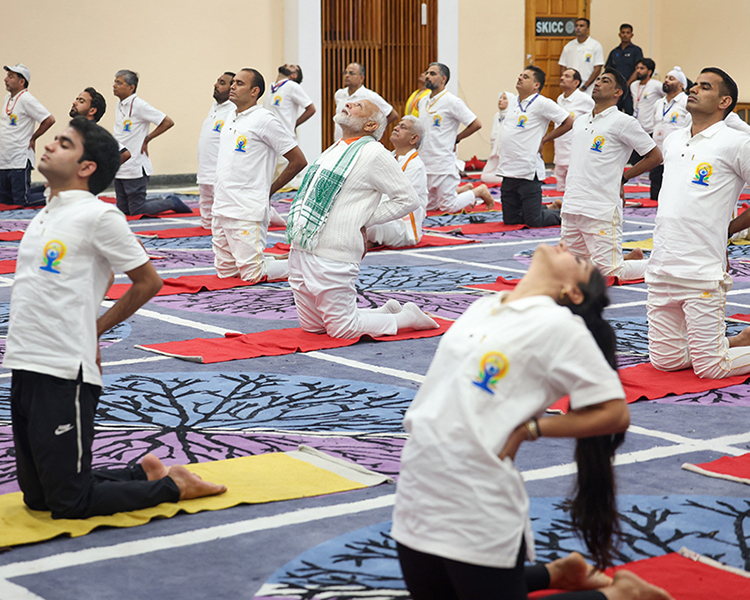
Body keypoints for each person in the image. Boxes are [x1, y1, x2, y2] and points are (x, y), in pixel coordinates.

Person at [392, 240, 674, 600]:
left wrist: (531, 429)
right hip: (417, 484)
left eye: (578, 260)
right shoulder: (485, 306)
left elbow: (615, 413)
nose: (565, 247)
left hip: (473, 496)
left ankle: (623, 595)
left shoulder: (559, 327)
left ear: (572, 291)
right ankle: (556, 572)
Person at [3, 117, 227, 519]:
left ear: (86, 167)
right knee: (37, 498)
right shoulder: (47, 213)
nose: (50, 145)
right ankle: (140, 473)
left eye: (64, 143)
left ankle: (174, 485)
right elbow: (97, 274)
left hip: (63, 368)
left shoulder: (98, 216)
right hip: (24, 360)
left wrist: (93, 331)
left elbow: (147, 280)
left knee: (70, 505)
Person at [286, 99, 439, 339]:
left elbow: (408, 199)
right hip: (302, 250)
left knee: (343, 329)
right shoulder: (335, 148)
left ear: (369, 125)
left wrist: (363, 219)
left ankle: (407, 317)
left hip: (333, 253)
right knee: (313, 327)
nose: (349, 104)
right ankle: (384, 312)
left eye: (358, 106)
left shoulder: (374, 152)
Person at [647, 67, 750, 379]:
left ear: (724, 101)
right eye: (695, 84)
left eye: (705, 87)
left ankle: (719, 349)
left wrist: (730, 229)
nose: (693, 89)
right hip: (662, 265)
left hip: (701, 269)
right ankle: (734, 341)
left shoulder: (736, 142)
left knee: (711, 368)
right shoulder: (675, 139)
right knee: (666, 362)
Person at [561, 68, 662, 282]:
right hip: (572, 205)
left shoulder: (623, 122)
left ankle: (661, 265)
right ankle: (628, 257)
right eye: (597, 79)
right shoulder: (580, 121)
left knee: (611, 273)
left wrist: (624, 178)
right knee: (570, 272)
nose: (597, 83)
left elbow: (655, 156)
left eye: (604, 80)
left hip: (601, 208)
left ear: (618, 92)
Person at [212, 68, 306, 282]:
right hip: (222, 205)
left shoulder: (264, 119)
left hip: (247, 208)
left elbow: (299, 160)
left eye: (240, 83)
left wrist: (270, 189)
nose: (233, 86)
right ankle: (278, 260)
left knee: (252, 274)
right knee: (226, 273)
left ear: (255, 91)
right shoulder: (230, 115)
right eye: (233, 82)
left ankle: (302, 266)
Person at [496, 66, 573, 227]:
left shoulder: (542, 103)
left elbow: (568, 122)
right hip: (508, 169)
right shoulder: (513, 103)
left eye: (525, 77)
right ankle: (545, 207)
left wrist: (545, 140)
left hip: (528, 171)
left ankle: (565, 214)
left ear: (536, 85)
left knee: (534, 221)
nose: (520, 78)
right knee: (511, 221)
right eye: (520, 75)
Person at [417, 62, 493, 213]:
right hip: (425, 160)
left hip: (443, 161)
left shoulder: (452, 101)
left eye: (432, 74)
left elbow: (476, 124)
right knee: (428, 207)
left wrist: (457, 139)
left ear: (443, 79)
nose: (427, 76)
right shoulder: (422, 101)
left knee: (448, 207)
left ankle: (479, 191)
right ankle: (464, 189)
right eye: (427, 73)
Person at [111, 69, 188, 216]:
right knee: (123, 211)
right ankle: (159, 200)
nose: (114, 85)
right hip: (120, 165)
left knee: (136, 212)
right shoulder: (119, 105)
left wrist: (148, 138)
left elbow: (167, 122)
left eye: (118, 83)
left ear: (131, 87)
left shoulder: (140, 105)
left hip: (135, 166)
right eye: (114, 82)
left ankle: (170, 202)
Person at [366, 115, 428, 248]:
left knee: (363, 220)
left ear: (414, 138)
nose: (396, 127)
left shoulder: (415, 166)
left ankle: (364, 241)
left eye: (403, 127)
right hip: (384, 217)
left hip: (403, 228)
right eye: (398, 125)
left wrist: (370, 211)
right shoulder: (388, 157)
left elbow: (404, 203)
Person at [0, 64, 55, 206]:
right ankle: (45, 187)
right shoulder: (8, 98)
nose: (5, 79)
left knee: (22, 201)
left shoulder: (26, 99)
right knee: (6, 201)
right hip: (4, 159)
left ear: (21, 81)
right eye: (7, 76)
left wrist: (34, 137)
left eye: (11, 77)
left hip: (19, 158)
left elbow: (49, 120)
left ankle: (56, 200)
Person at [196, 72, 236, 230]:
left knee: (226, 207)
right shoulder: (214, 108)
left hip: (220, 172)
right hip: (205, 169)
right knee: (206, 211)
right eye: (217, 81)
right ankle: (206, 227)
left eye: (222, 82)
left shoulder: (232, 111)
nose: (216, 85)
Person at [650, 67, 690, 201]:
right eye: (666, 77)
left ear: (681, 85)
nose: (666, 80)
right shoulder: (658, 103)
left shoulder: (686, 102)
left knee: (672, 192)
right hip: (658, 152)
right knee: (655, 193)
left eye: (671, 79)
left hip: (676, 152)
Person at [553, 69, 595, 193]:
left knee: (574, 188)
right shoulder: (560, 99)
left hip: (575, 149)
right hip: (560, 147)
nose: (562, 78)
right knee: (560, 187)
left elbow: (595, 117)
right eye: (562, 75)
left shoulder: (584, 99)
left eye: (567, 76)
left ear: (576, 82)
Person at [333, 62, 397, 140]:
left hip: (358, 141)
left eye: (351, 73)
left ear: (361, 78)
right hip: (339, 141)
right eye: (345, 73)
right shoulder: (339, 94)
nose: (347, 76)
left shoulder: (370, 96)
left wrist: (374, 129)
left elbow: (392, 114)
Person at [558, 19, 604, 96]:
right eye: (576, 26)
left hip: (588, 88)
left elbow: (598, 68)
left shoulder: (595, 45)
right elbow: (563, 66)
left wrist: (585, 86)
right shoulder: (569, 46)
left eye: (581, 26)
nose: (578, 28)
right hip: (571, 87)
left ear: (588, 29)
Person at [604, 23, 643, 115]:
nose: (625, 35)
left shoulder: (636, 51)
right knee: (614, 112)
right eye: (623, 32)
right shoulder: (614, 52)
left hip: (630, 89)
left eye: (628, 33)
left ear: (632, 35)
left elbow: (638, 69)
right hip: (616, 89)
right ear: (619, 34)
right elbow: (608, 70)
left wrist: (627, 84)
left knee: (630, 111)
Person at [481, 91, 516, 185]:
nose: (500, 100)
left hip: (507, 155)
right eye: (500, 98)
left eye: (504, 99)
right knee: (484, 177)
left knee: (506, 176)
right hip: (494, 154)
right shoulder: (496, 116)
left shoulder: (512, 117)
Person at [630, 59, 664, 136]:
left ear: (650, 72)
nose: (638, 71)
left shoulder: (656, 85)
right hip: (636, 127)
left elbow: (670, 94)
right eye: (637, 68)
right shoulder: (633, 85)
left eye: (642, 68)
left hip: (650, 129)